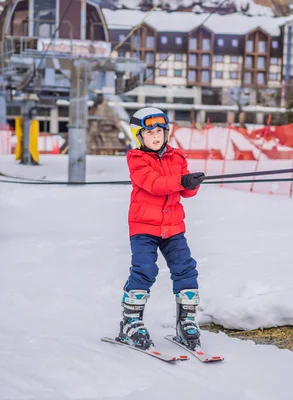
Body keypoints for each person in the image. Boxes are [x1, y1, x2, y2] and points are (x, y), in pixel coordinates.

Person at [117, 107, 206, 351]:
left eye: (160, 131)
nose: (156, 136)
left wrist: (191, 184)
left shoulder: (176, 157)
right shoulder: (136, 159)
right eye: (149, 132)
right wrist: (180, 181)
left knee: (185, 269)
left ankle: (186, 321)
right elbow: (154, 184)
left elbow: (185, 192)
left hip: (173, 227)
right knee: (144, 269)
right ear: (139, 136)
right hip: (144, 227)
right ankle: (130, 322)